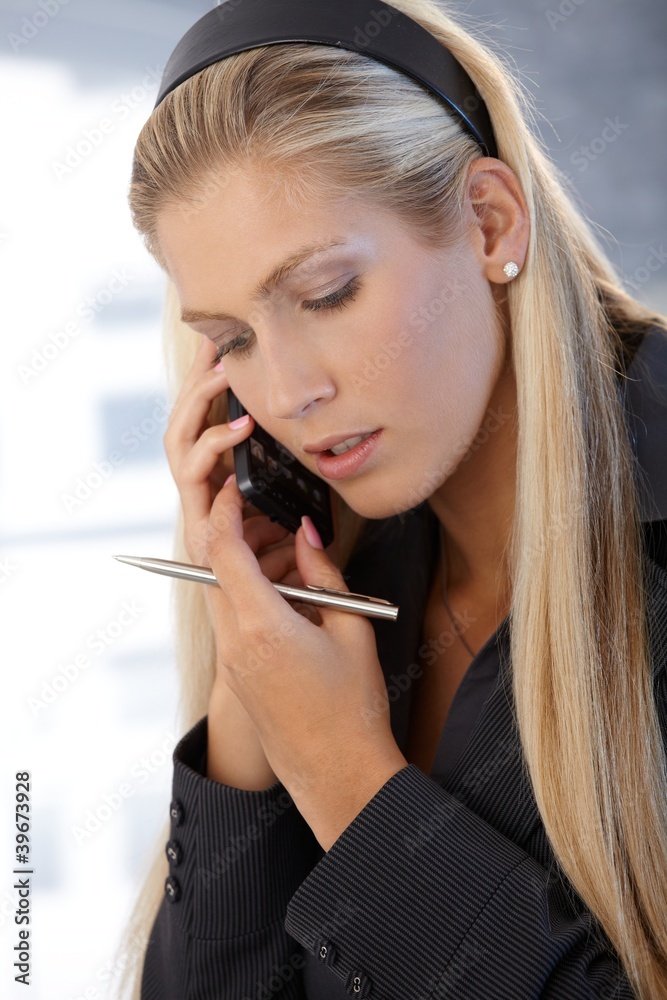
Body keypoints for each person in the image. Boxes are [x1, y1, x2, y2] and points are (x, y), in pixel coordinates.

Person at [115, 1, 667, 997]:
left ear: (489, 223)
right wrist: (251, 689)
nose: (288, 394)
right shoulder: (347, 582)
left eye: (327, 294)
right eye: (233, 340)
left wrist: (345, 779)